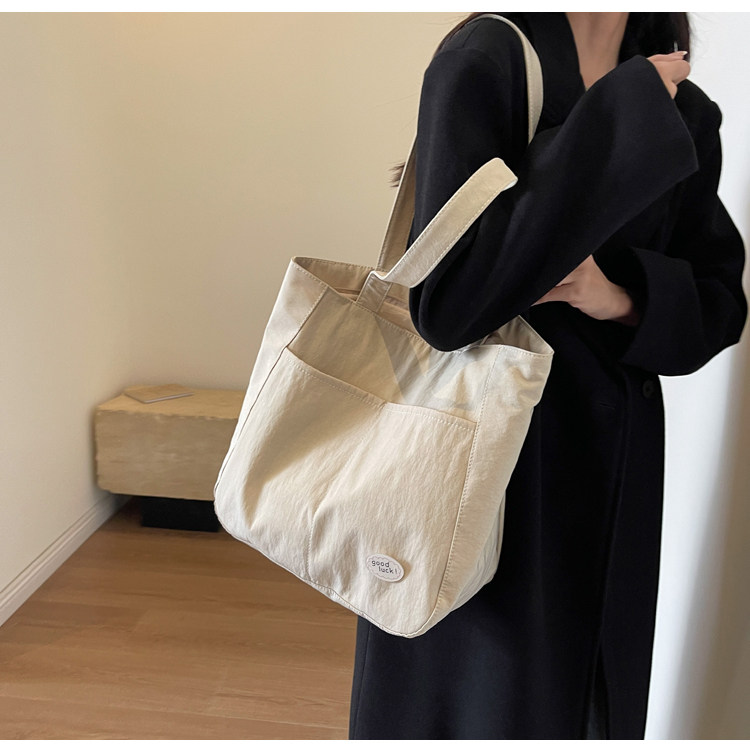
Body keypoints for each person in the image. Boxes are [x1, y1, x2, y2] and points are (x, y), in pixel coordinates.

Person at [348, 12, 748, 740]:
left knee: (591, 704)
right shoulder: (485, 59)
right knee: (477, 707)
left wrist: (618, 295)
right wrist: (615, 119)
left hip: (612, 470)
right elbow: (446, 305)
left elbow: (719, 307)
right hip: (484, 466)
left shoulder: (681, 105)